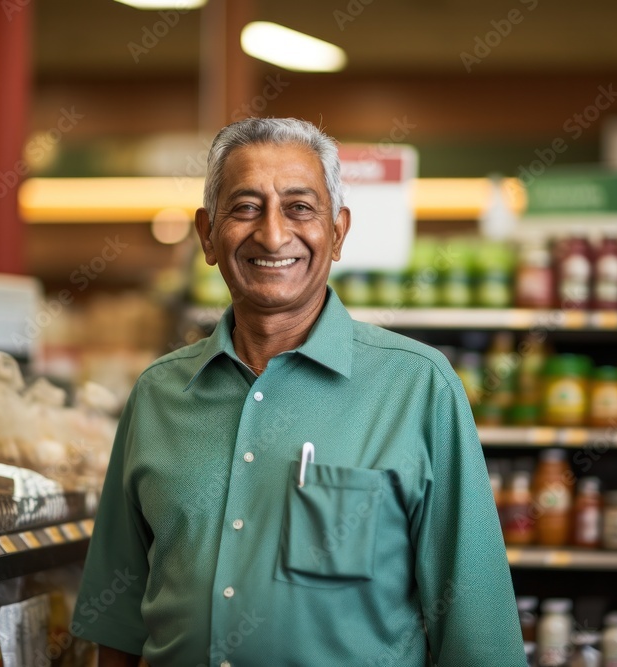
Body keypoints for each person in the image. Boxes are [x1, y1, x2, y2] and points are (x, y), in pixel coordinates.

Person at [72, 117, 526, 666]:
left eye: (299, 207)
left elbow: (477, 629)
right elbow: (118, 621)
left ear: (337, 232)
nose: (272, 234)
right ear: (207, 235)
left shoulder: (418, 388)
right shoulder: (158, 395)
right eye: (244, 207)